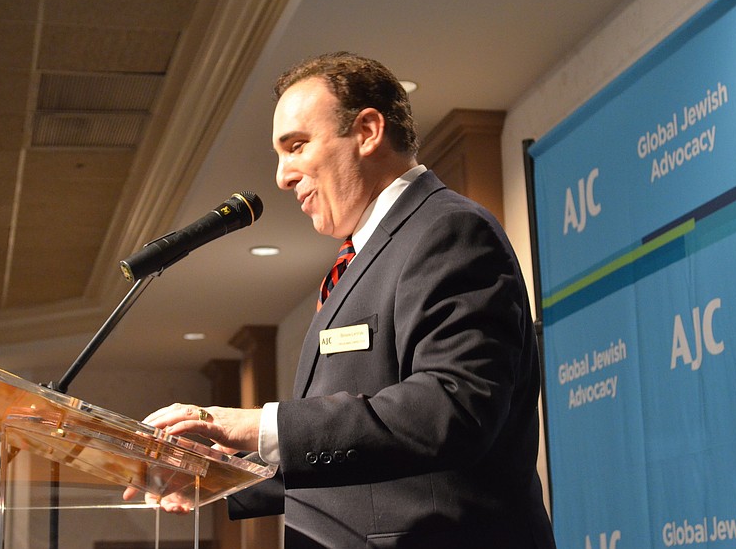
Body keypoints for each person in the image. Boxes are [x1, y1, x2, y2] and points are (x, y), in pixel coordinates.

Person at [125, 52, 556, 548]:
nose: (283, 176)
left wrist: (258, 424)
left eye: (296, 146)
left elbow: (452, 409)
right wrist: (221, 476)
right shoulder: (362, 257)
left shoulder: (448, 231)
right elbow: (368, 454)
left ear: (369, 131)